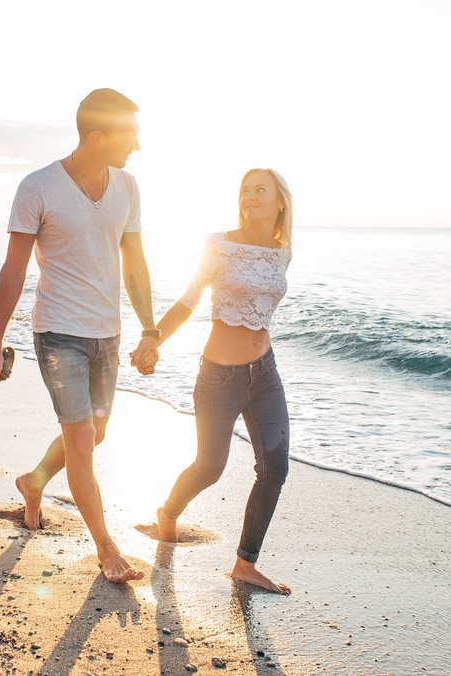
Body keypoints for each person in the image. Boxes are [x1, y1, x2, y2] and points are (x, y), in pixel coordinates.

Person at [0, 89, 159, 583]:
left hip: (109, 335)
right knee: (80, 438)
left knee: (93, 435)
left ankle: (33, 481)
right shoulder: (38, 187)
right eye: (131, 134)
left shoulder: (128, 186)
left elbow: (134, 263)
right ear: (97, 137)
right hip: (58, 335)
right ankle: (106, 548)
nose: (138, 145)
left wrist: (149, 328)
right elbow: (14, 270)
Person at [137, 168, 294, 594]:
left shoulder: (283, 252)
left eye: (261, 189)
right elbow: (189, 301)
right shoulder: (219, 244)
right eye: (246, 189)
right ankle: (168, 513)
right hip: (218, 376)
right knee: (210, 467)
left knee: (275, 468)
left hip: (265, 374)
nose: (251, 195)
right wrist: (153, 340)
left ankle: (246, 564)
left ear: (281, 201)